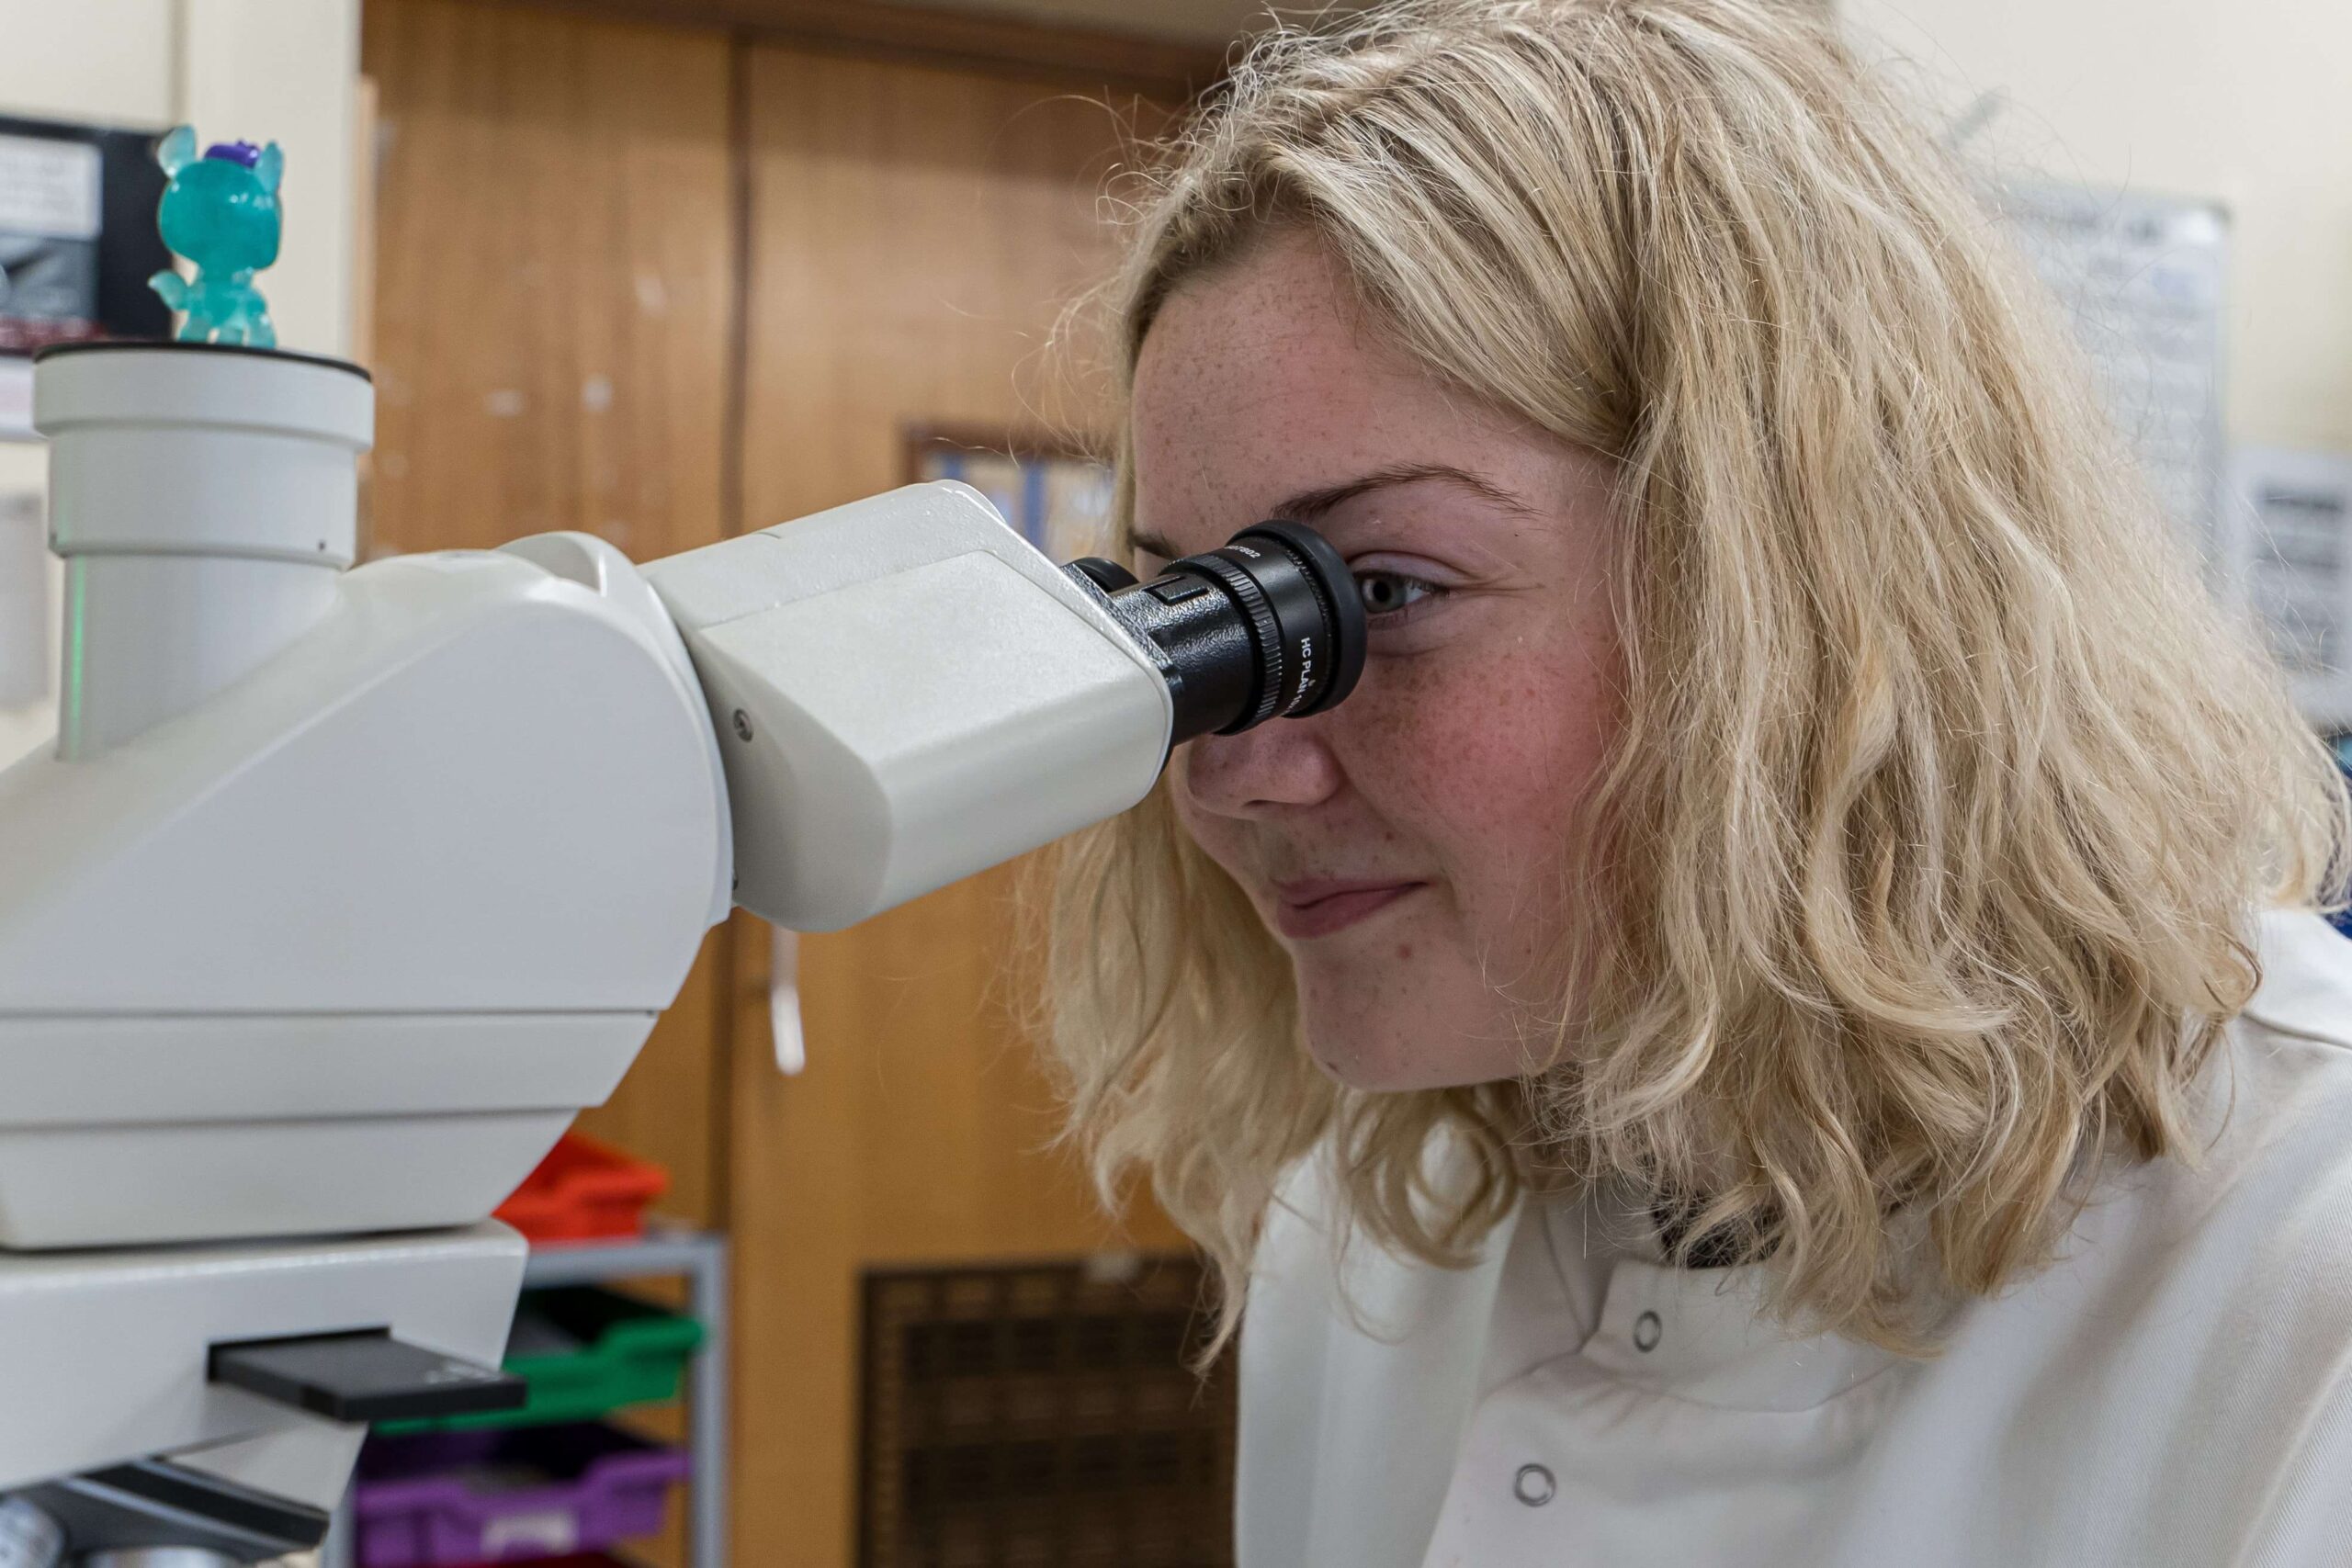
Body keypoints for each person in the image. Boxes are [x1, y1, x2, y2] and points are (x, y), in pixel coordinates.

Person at [1034, 1, 2352, 1563]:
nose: (1233, 773)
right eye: (1194, 628)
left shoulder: (2300, 1292)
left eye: (1377, 595)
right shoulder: (1381, 1232)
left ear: (1802, 591)